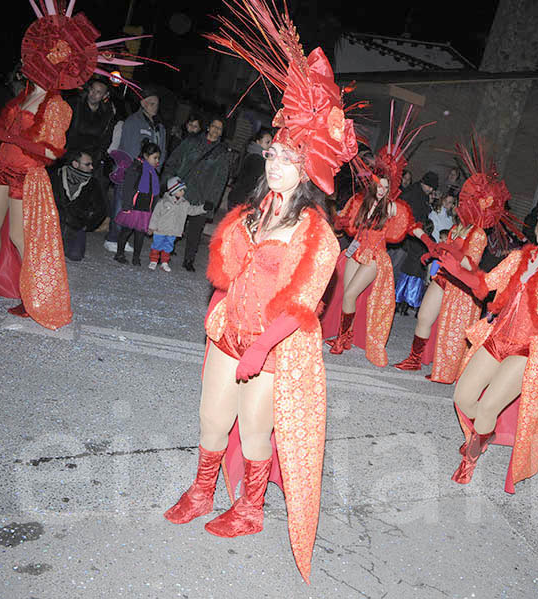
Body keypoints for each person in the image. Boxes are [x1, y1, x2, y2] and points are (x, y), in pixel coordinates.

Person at [164, 0, 359, 584]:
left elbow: (303, 305)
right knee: (209, 421)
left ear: (308, 170)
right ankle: (201, 493)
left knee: (254, 432)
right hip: (228, 335)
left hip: (271, 348)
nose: (275, 164)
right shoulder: (253, 212)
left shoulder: (315, 231)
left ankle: (250, 509)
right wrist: (231, 263)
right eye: (273, 155)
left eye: (287, 159)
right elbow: (223, 272)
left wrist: (259, 348)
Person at [0, 4, 117, 328]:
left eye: (40, 60)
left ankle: (31, 296)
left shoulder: (57, 106)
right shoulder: (21, 97)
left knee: (20, 238)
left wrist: (14, 140)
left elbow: (53, 153)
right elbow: (5, 135)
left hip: (26, 174)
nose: (32, 63)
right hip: (1, 167)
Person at [436, 198, 538, 489]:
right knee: (462, 398)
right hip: (498, 337)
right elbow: (485, 284)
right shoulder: (519, 258)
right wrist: (458, 271)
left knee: (489, 405)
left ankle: (470, 460)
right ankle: (484, 433)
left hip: (529, 348)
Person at [393, 136, 521, 383]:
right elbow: (450, 251)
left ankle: (446, 371)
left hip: (461, 285)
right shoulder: (457, 227)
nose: (464, 204)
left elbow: (469, 264)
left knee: (452, 331)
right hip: (443, 278)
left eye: (469, 202)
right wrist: (437, 251)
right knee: (423, 317)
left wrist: (448, 252)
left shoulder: (479, 234)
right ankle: (414, 358)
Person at [321, 103, 429, 367]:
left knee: (349, 295)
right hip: (356, 250)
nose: (381, 190)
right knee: (347, 292)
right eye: (379, 185)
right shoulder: (362, 201)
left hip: (374, 257)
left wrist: (430, 244)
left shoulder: (393, 207)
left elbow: (410, 227)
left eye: (386, 186)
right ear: (373, 184)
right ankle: (344, 337)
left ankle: (342, 339)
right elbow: (346, 222)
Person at [162, 116, 231, 271]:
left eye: (219, 128)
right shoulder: (191, 142)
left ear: (221, 133)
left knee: (195, 229)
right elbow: (175, 159)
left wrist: (212, 201)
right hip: (183, 190)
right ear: (208, 127)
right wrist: (169, 180)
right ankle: (167, 249)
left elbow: (221, 179)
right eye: (213, 126)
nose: (215, 130)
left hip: (202, 195)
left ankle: (189, 259)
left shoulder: (222, 153)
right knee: (174, 223)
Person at [106, 88, 166, 251]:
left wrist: (156, 170)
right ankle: (113, 237)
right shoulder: (134, 121)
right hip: (132, 171)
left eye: (156, 104)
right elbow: (128, 147)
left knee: (137, 208)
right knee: (122, 204)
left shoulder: (159, 127)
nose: (154, 107)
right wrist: (134, 170)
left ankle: (123, 239)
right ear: (143, 103)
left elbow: (162, 150)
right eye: (151, 103)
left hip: (149, 175)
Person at [48, 149, 106, 261]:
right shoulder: (56, 176)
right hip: (54, 224)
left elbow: (101, 209)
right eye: (87, 164)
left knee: (75, 255)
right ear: (75, 164)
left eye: (91, 164)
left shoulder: (93, 183)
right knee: (50, 254)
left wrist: (86, 225)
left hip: (76, 225)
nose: (91, 167)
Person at [395, 170, 438, 314]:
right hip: (405, 237)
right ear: (425, 184)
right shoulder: (415, 194)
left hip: (408, 236)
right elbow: (411, 216)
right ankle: (394, 299)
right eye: (430, 187)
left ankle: (397, 300)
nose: (431, 191)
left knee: (402, 271)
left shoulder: (417, 193)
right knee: (398, 268)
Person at [114, 140, 161, 266]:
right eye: (155, 157)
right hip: (133, 207)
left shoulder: (155, 173)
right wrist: (126, 205)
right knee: (126, 231)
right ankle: (119, 253)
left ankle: (136, 257)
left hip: (145, 209)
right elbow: (128, 188)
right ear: (146, 156)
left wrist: (154, 209)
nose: (158, 161)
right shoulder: (135, 168)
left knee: (140, 235)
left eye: (158, 158)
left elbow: (155, 193)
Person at [64, 78, 115, 169]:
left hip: (92, 158)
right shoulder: (74, 104)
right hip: (70, 155)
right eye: (92, 90)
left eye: (98, 92)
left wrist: (98, 157)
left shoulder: (107, 113)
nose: (93, 94)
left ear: (105, 95)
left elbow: (107, 138)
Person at [147, 176, 189, 271]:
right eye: (181, 190)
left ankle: (164, 262)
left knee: (169, 246)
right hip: (160, 229)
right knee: (157, 244)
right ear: (174, 191)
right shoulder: (163, 202)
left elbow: (191, 210)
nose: (183, 192)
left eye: (183, 190)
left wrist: (203, 208)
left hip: (173, 231)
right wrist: (152, 227)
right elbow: (155, 215)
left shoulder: (184, 204)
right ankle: (153, 260)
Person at [228, 127, 273, 208]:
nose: (270, 146)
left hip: (235, 197)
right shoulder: (258, 159)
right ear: (258, 142)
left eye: (271, 143)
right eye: (267, 142)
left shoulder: (248, 152)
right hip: (243, 202)